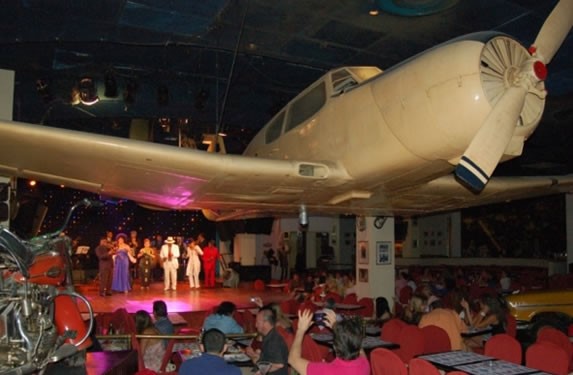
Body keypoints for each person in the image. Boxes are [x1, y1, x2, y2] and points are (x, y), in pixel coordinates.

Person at [289, 309, 369, 375]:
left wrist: (300, 330)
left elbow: (292, 359)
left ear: (334, 347)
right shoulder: (364, 365)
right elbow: (359, 347)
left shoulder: (325, 370)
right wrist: (337, 329)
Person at [245, 306, 288, 375]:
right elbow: (268, 359)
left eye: (258, 322)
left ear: (266, 323)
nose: (256, 325)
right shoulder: (269, 336)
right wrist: (254, 355)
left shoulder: (274, 340)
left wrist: (261, 372)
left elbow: (279, 365)